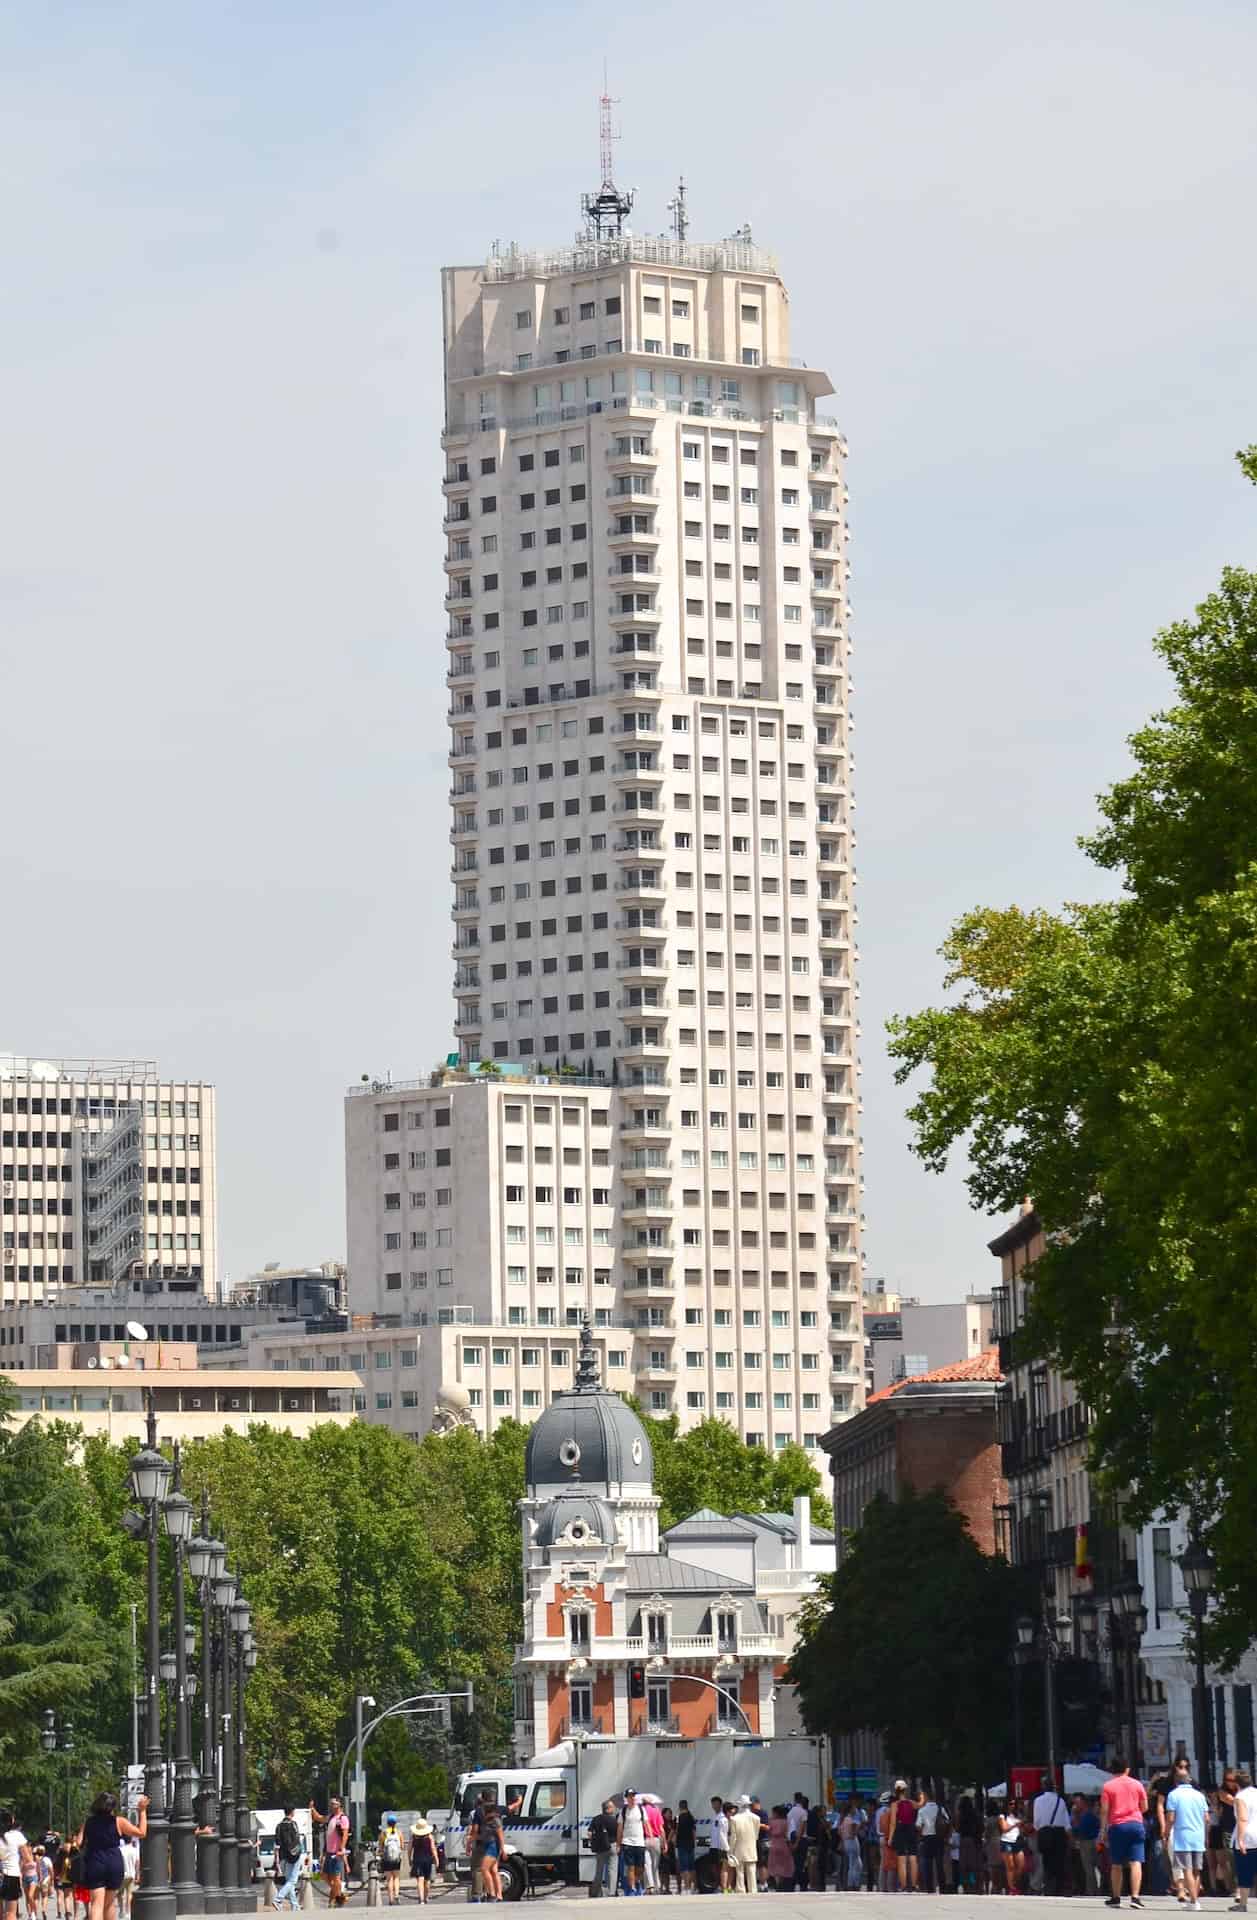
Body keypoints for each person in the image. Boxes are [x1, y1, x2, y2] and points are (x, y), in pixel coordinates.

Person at [77, 1794, 147, 1920]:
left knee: (96, 1904)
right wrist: (142, 1811)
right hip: (113, 1861)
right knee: (109, 1904)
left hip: (95, 1860)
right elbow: (142, 1833)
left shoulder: (88, 1822)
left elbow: (78, 1842)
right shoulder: (119, 1821)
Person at [1101, 1756, 1149, 1909]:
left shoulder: (1108, 1786)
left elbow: (1104, 1810)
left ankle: (1116, 1897)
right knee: (1136, 1862)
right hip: (1136, 1824)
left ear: (1112, 1770)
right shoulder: (1137, 1784)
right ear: (1127, 1769)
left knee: (1116, 1864)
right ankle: (1135, 1897)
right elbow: (1145, 1807)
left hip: (1118, 1826)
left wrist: (1103, 1829)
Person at [1166, 1761, 1210, 1912]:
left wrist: (1166, 1833)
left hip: (1182, 1836)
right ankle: (1194, 1899)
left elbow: (1171, 1818)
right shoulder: (1200, 1796)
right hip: (1198, 1835)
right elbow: (1207, 1818)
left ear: (1176, 1781)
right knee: (1197, 1870)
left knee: (1187, 1870)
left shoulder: (1173, 1795)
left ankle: (1194, 1901)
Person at [1032, 1772, 1071, 1897]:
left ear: (1043, 1786)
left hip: (1045, 1833)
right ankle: (1058, 1888)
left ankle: (1049, 1888)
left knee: (1047, 1862)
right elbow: (1067, 1823)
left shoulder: (1038, 1801)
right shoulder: (1061, 1801)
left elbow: (1036, 1822)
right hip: (1059, 1833)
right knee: (1059, 1862)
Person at [309, 1798, 349, 1909]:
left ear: (339, 1805)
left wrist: (341, 1849)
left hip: (337, 1853)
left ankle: (332, 1902)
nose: (331, 1805)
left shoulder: (343, 1818)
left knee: (335, 1878)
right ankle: (339, 1895)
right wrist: (312, 1808)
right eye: (330, 1803)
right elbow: (319, 1818)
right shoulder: (331, 1817)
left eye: (333, 1803)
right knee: (324, 1875)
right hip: (329, 1852)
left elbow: (345, 1834)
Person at [469, 1792, 503, 1904]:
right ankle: (498, 1895)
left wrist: (502, 1850)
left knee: (483, 1869)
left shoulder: (493, 1820)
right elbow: (481, 1835)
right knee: (493, 1870)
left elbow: (500, 1835)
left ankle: (491, 1894)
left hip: (491, 1847)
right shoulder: (490, 1820)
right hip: (489, 1845)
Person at [1231, 1769, 1257, 1914]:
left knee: (1245, 1872)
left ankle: (1243, 1904)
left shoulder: (1240, 1797)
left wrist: (1240, 1839)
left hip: (1248, 1837)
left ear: (1237, 1784)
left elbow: (1242, 1818)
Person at [271, 1807, 304, 1913]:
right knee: (292, 1880)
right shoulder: (293, 1824)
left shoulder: (279, 1826)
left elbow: (277, 1844)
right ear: (292, 1812)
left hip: (284, 1856)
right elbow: (297, 1839)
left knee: (289, 1881)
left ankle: (295, 1905)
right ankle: (278, 1899)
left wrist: (277, 1859)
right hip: (294, 1855)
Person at [891, 1782, 921, 1892]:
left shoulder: (895, 1804)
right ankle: (914, 1884)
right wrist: (922, 1797)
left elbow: (893, 1823)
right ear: (905, 1790)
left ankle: (903, 1885)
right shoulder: (912, 1803)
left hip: (900, 1830)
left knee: (902, 1859)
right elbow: (921, 1805)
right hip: (911, 1830)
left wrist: (890, 1838)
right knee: (913, 1858)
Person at [618, 1790, 646, 1898]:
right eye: (630, 1796)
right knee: (631, 1867)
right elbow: (620, 1828)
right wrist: (619, 1844)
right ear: (627, 1798)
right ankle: (633, 1889)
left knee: (640, 1868)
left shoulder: (641, 1809)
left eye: (633, 1796)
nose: (632, 1798)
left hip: (640, 1843)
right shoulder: (623, 1811)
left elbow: (646, 1824)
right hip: (627, 1842)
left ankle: (637, 1882)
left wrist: (651, 1837)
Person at [728, 1799, 760, 1896]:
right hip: (751, 1847)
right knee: (751, 1871)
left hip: (739, 1847)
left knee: (740, 1871)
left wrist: (730, 1850)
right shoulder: (756, 1818)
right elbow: (756, 1835)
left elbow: (733, 1837)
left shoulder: (734, 1819)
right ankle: (753, 1890)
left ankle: (741, 1890)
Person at [1071, 1796, 1101, 1895]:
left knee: (1089, 1868)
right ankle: (1095, 1890)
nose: (1075, 1806)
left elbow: (1079, 1830)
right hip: (1093, 1841)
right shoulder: (1090, 1815)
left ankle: (1092, 1891)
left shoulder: (1085, 1816)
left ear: (1083, 1803)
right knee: (1094, 1868)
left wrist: (1075, 1817)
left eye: (1077, 1803)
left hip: (1087, 1842)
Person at [918, 1790, 943, 1894]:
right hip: (938, 1837)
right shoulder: (940, 1809)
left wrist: (921, 1835)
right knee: (939, 1863)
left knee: (927, 1863)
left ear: (926, 1797)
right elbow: (947, 1821)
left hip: (927, 1838)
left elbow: (919, 1825)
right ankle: (942, 1886)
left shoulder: (922, 1811)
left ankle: (930, 1887)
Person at [999, 1801, 1026, 1896]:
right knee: (1010, 1866)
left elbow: (1023, 1830)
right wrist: (1015, 1825)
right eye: (1010, 1804)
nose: (1013, 1806)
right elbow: (1004, 1829)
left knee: (1021, 1866)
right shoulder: (1002, 1816)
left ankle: (1014, 1884)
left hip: (1017, 1841)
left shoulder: (1018, 1816)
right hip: (1007, 1841)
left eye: (1014, 1804)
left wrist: (1022, 1826)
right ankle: (1012, 1888)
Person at [409, 1820, 437, 1906]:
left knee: (420, 1880)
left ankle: (421, 1899)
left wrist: (409, 1859)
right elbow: (433, 1849)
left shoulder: (413, 1837)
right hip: (428, 1859)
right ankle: (426, 1897)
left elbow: (409, 1849)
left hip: (417, 1859)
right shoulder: (430, 1837)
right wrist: (436, 1859)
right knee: (427, 1879)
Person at [766, 1808, 793, 1893]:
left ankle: (777, 1883)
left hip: (774, 1844)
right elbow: (788, 1834)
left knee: (774, 1864)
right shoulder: (786, 1822)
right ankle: (781, 1883)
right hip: (783, 1843)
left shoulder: (771, 1822)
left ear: (776, 1813)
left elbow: (769, 1833)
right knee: (783, 1864)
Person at [379, 1818, 403, 1906]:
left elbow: (381, 1846)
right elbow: (402, 1846)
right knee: (396, 1877)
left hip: (387, 1859)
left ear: (387, 1823)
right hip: (396, 1859)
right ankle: (396, 1895)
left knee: (389, 1879)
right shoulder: (399, 1832)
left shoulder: (384, 1833)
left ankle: (391, 1899)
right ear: (395, 1823)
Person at [839, 1805, 863, 1893]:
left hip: (846, 1842)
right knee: (854, 1864)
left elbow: (839, 1831)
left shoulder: (843, 1820)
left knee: (852, 1863)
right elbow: (854, 1829)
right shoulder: (850, 1820)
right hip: (852, 1841)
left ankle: (851, 1883)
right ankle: (853, 1884)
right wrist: (858, 1828)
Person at [642, 1798, 663, 1894]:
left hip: (644, 1839)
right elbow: (661, 1828)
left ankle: (650, 1886)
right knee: (655, 1865)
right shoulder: (656, 1810)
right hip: (655, 1839)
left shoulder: (641, 1810)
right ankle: (657, 1886)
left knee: (647, 1865)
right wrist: (664, 1842)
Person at [675, 1802, 696, 1896]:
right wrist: (694, 1841)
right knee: (691, 1866)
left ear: (680, 1807)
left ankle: (686, 1887)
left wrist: (675, 1841)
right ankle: (693, 1887)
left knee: (684, 1867)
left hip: (682, 1844)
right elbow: (694, 1831)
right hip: (690, 1844)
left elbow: (676, 1830)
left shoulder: (678, 1817)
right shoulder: (691, 1817)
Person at [660, 1809, 678, 1896]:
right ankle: (661, 1887)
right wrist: (664, 1846)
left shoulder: (673, 1823)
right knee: (663, 1870)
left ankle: (667, 1888)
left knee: (668, 1870)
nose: (670, 1815)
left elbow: (675, 1833)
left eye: (671, 1813)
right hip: (663, 1847)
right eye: (668, 1813)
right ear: (663, 1814)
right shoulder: (662, 1823)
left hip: (671, 1848)